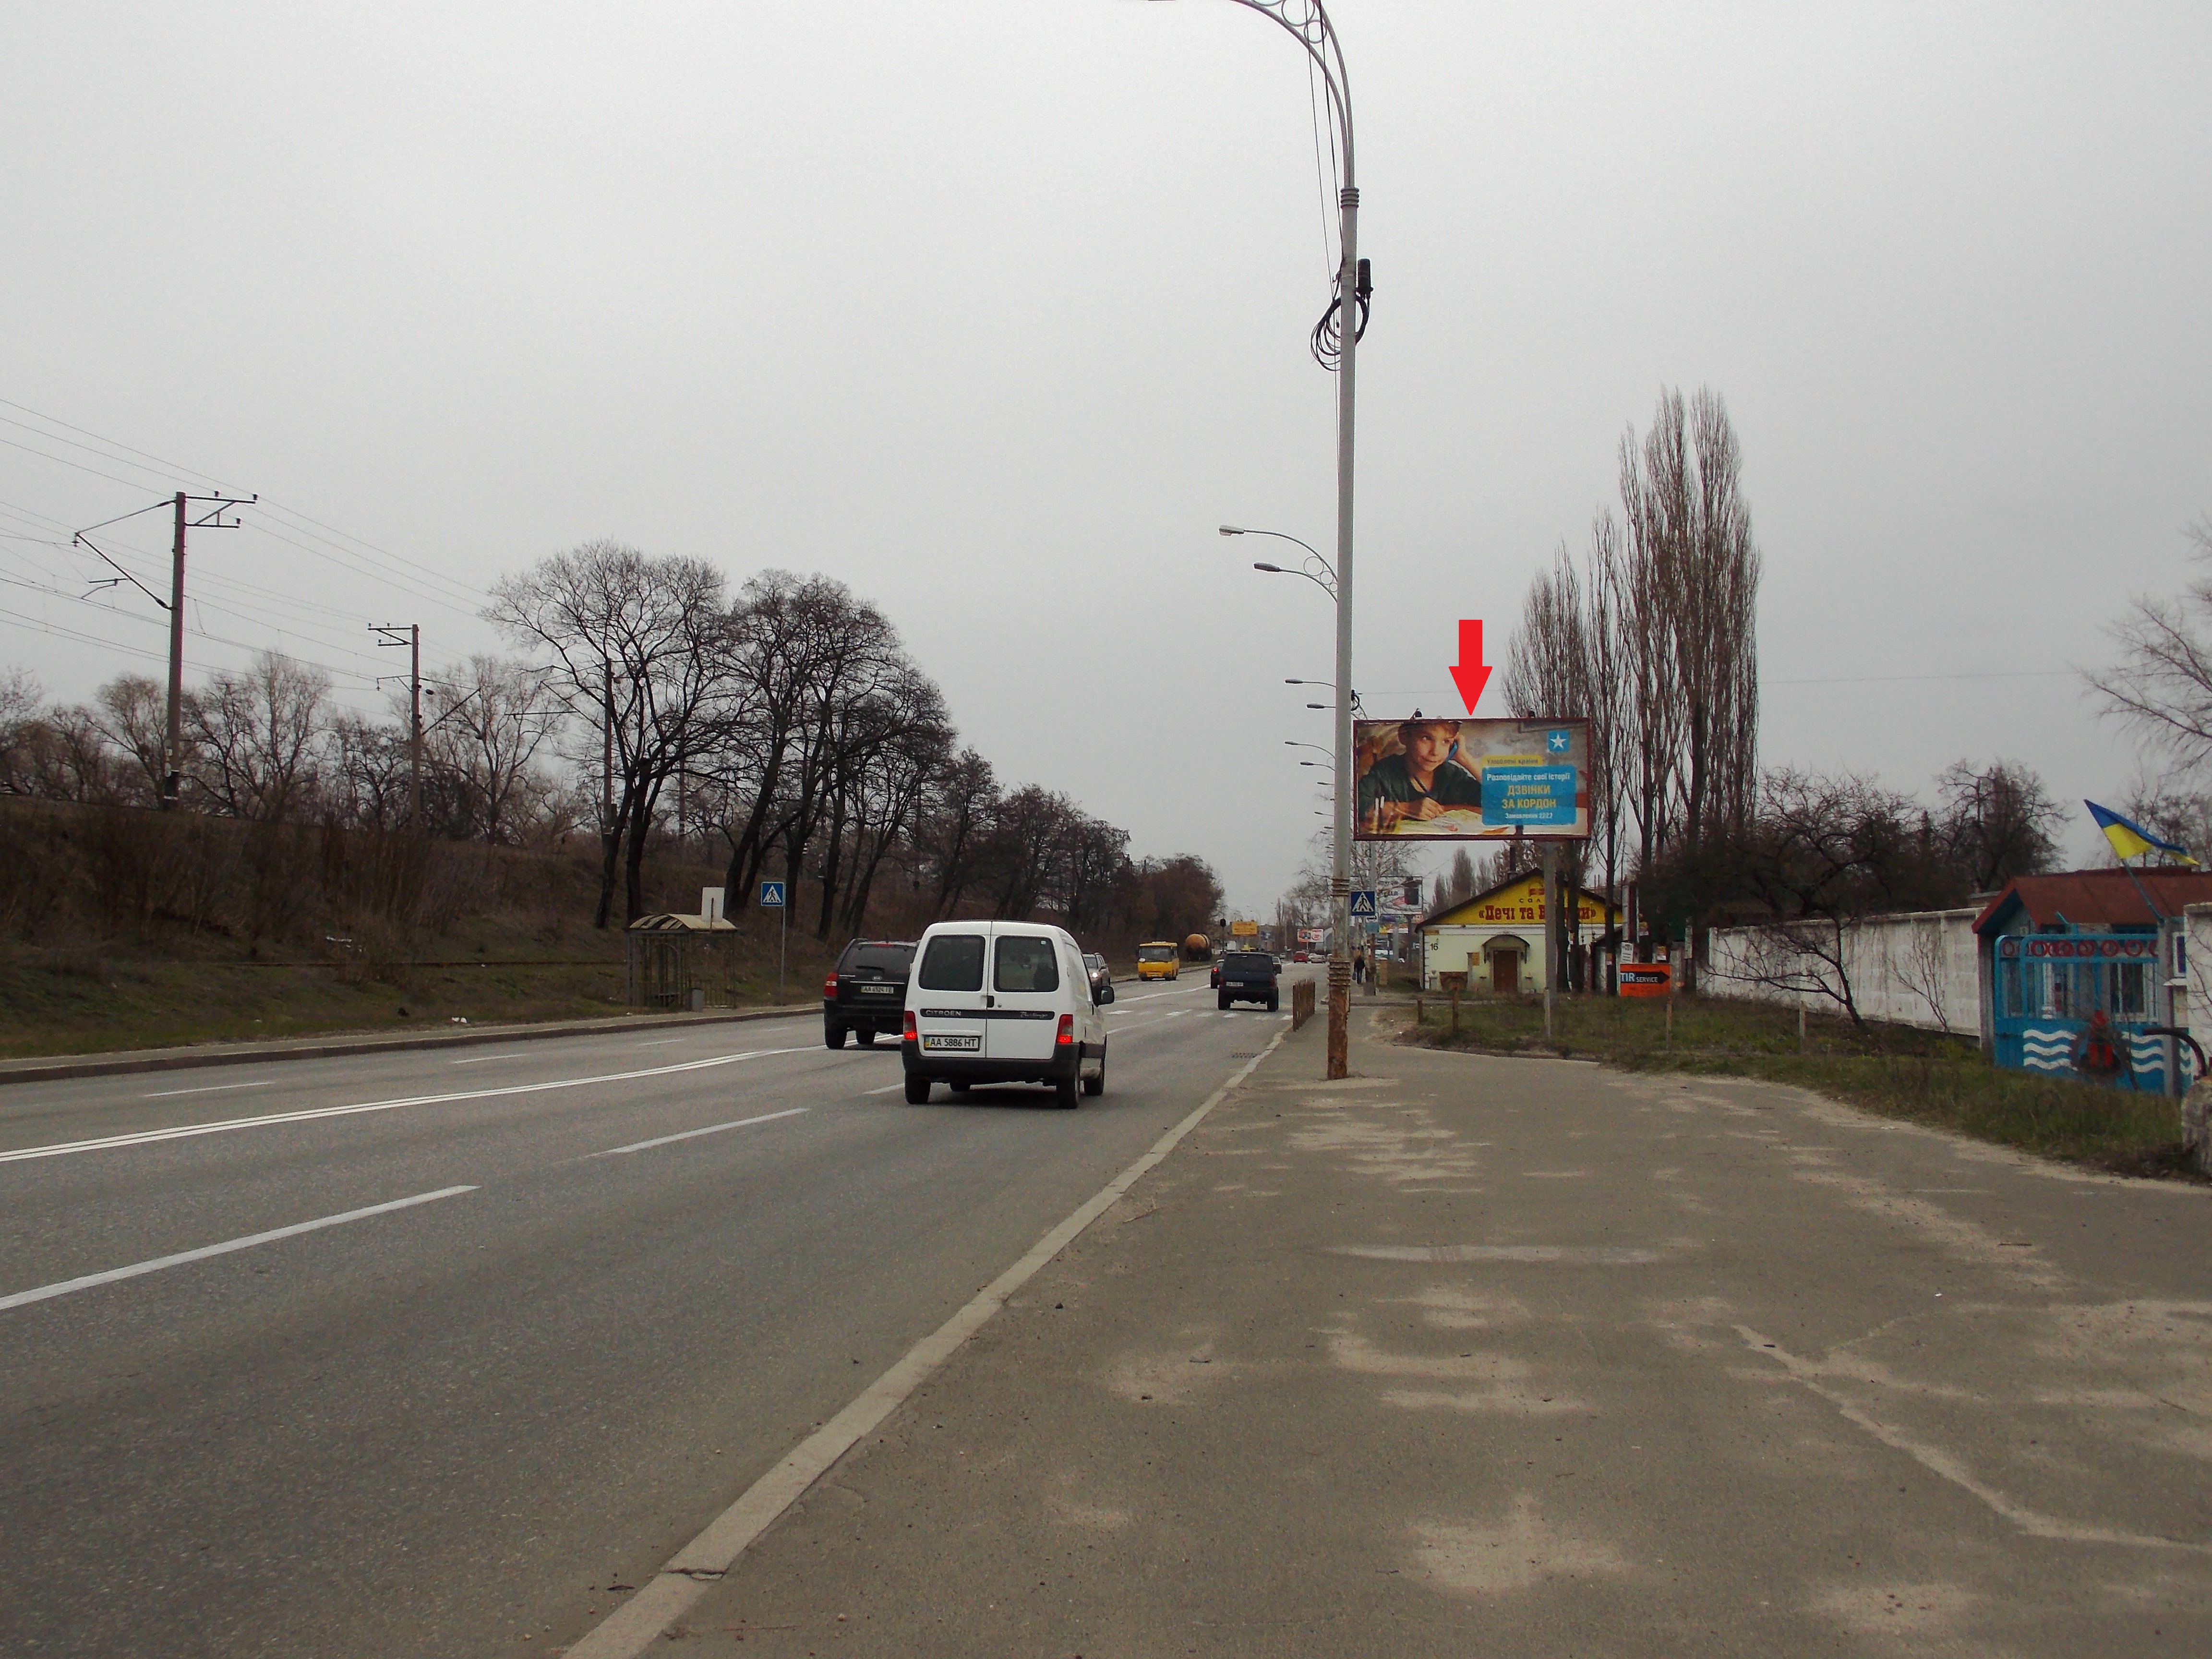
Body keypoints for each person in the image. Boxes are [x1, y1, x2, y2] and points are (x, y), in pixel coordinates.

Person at [1357, 716, 1482, 832]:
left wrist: (1465, 758)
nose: (1436, 752)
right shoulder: (1386, 771)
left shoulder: (1451, 774)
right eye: (1426, 738)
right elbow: (1360, 806)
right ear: (1404, 737)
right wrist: (1407, 808)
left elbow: (1499, 801)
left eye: (1446, 741)